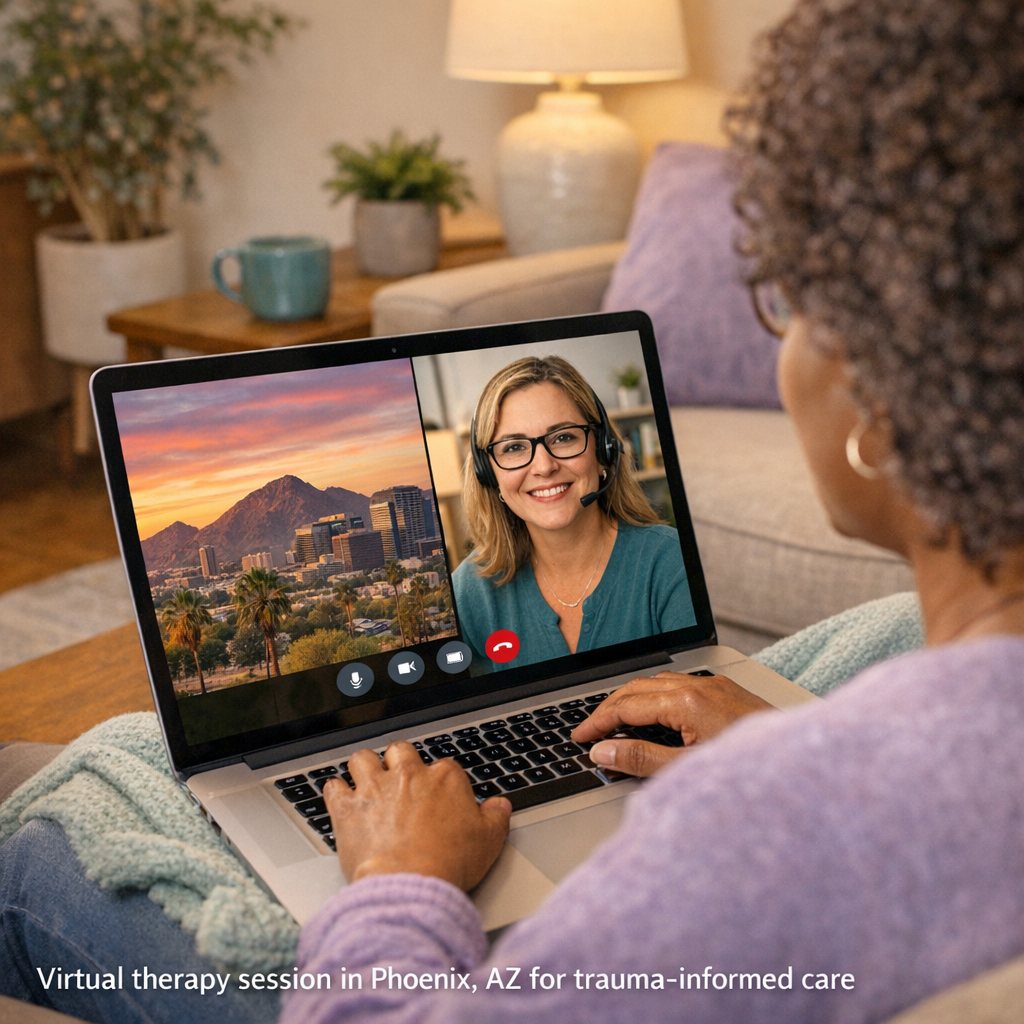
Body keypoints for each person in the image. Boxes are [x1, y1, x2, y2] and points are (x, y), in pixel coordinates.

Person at [3, 1, 1024, 1022]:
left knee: (39, 858)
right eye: (512, 448)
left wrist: (400, 878)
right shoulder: (885, 746)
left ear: (877, 404)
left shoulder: (745, 837)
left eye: (788, 307)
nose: (541, 465)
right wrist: (788, 746)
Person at [452, 354, 696, 670]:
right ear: (488, 474)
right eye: (514, 447)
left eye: (564, 437)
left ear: (603, 449)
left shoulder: (669, 561)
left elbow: (697, 687)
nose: (544, 467)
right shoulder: (470, 589)